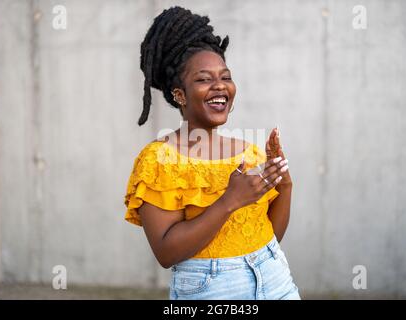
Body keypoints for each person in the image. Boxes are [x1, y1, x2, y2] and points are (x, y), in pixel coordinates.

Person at [124, 6, 300, 300]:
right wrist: (229, 201)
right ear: (179, 94)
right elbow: (167, 253)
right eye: (204, 79)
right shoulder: (160, 160)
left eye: (225, 76)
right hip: (212, 291)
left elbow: (268, 238)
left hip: (276, 280)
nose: (220, 85)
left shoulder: (248, 152)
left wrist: (284, 181)